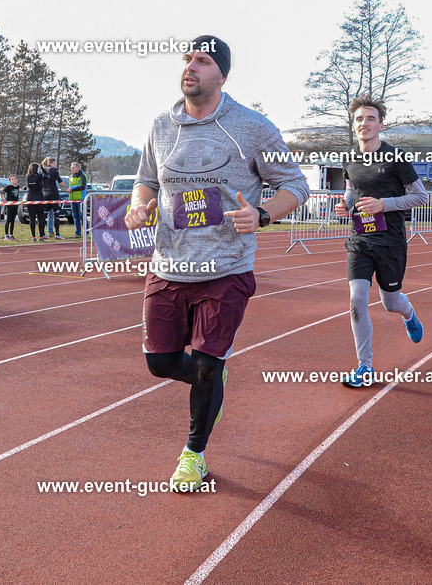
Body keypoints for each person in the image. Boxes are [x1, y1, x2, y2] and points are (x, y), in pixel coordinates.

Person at [125, 35, 308, 492]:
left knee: (206, 365)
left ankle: (193, 455)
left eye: (202, 61)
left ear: (221, 75)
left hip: (225, 268)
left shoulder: (253, 128)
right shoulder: (160, 125)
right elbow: (146, 181)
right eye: (187, 59)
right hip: (169, 266)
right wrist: (139, 205)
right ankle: (214, 378)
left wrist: (262, 214)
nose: (190, 66)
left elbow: (296, 185)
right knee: (160, 363)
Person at [334, 96, 427, 388]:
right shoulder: (349, 157)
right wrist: (345, 204)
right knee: (357, 299)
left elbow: (421, 197)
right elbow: (352, 190)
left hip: (391, 242)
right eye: (359, 119)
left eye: (370, 118)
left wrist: (383, 204)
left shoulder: (396, 158)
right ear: (353, 125)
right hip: (360, 239)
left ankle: (409, 314)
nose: (364, 123)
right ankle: (365, 366)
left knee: (391, 302)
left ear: (380, 125)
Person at [40, 156, 65, 239]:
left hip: (44, 193)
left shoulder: (42, 170)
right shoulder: (54, 170)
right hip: (53, 193)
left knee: (44, 214)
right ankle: (57, 233)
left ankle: (42, 234)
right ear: (53, 162)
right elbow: (60, 181)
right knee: (56, 213)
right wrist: (64, 187)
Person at [25, 162, 46, 242]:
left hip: (30, 198)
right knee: (41, 218)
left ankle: (33, 236)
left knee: (32, 218)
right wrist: (42, 168)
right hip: (39, 198)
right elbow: (48, 176)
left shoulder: (28, 177)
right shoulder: (39, 176)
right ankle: (41, 236)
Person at [67, 161, 88, 237]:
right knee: (75, 217)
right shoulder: (71, 176)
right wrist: (69, 189)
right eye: (71, 167)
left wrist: (72, 188)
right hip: (73, 199)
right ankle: (77, 233)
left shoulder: (82, 176)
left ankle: (86, 232)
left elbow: (83, 187)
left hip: (80, 199)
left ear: (78, 168)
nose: (71, 169)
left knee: (82, 216)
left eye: (73, 167)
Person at [1, 174, 21, 240]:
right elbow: (1, 191)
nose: (14, 180)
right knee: (8, 220)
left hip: (15, 205)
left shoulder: (18, 187)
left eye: (15, 178)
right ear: (10, 181)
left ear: (17, 180)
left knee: (13, 221)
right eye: (12, 179)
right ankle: (6, 235)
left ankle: (11, 234)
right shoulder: (8, 187)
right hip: (9, 206)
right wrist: (3, 199)